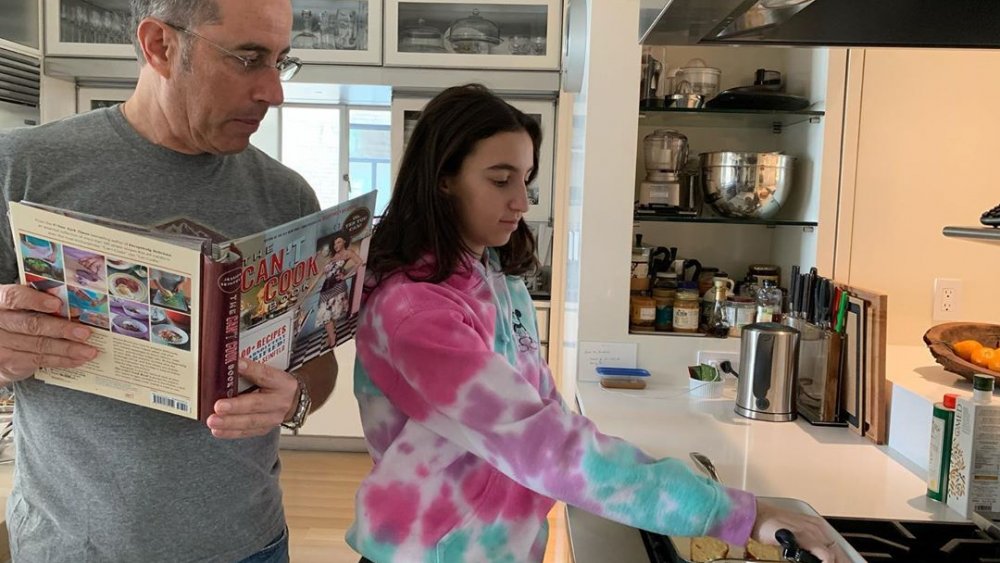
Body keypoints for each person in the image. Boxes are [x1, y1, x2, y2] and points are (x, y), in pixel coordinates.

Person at [347, 84, 846, 563]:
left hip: (494, 547)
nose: (521, 202)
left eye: (526, 179)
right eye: (500, 180)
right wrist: (736, 512)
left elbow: (548, 417)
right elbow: (538, 441)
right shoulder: (416, 313)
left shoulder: (496, 280)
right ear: (442, 178)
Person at [0, 0, 339, 560]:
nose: (274, 92)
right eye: (249, 58)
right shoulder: (24, 167)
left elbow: (317, 361)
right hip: (74, 548)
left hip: (248, 544)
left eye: (282, 61)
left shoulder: (288, 198)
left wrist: (296, 398)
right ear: (160, 45)